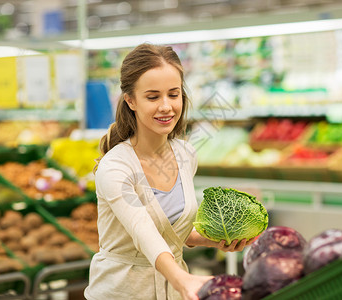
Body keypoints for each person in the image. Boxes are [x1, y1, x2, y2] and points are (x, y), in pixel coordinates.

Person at [85, 43, 254, 300]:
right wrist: (182, 278)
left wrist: (215, 239)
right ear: (130, 100)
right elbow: (143, 232)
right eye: (153, 97)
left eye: (173, 95)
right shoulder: (115, 167)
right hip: (122, 292)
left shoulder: (186, 154)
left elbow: (174, 232)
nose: (166, 107)